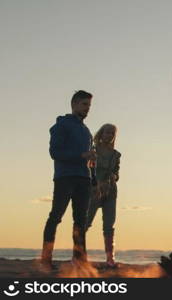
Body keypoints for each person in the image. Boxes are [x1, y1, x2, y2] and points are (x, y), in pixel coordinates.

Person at [41, 90, 96, 270]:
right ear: (74, 104)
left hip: (84, 179)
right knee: (56, 216)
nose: (87, 109)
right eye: (84, 104)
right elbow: (55, 153)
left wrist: (93, 178)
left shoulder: (87, 131)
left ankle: (80, 260)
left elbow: (89, 159)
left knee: (81, 220)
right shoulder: (62, 125)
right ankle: (46, 260)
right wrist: (81, 155)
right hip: (65, 177)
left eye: (89, 105)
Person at [86, 123, 121, 268]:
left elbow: (117, 173)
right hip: (93, 190)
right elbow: (88, 168)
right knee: (85, 222)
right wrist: (96, 184)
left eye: (112, 133)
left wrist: (114, 176)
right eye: (107, 132)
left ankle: (110, 258)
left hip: (110, 191)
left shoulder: (116, 154)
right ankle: (78, 254)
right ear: (101, 134)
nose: (110, 135)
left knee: (109, 225)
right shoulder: (92, 150)